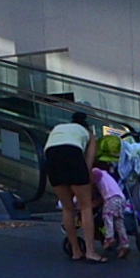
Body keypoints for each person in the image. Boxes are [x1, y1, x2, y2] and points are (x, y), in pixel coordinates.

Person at [45, 109, 100, 262]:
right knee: (85, 207)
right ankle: (90, 251)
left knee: (67, 207)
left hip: (51, 157)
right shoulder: (89, 134)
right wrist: (89, 187)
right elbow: (88, 164)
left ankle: (76, 251)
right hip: (72, 154)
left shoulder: (58, 129)